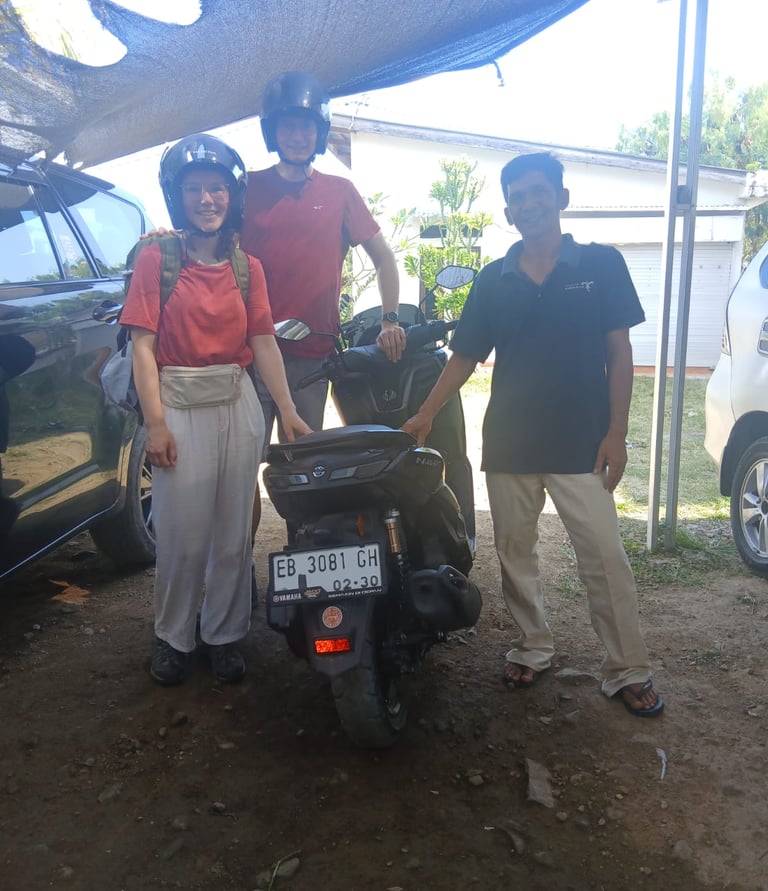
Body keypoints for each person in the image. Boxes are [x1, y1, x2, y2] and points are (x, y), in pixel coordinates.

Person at [402, 152, 664, 718]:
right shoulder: (494, 280)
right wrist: (424, 414)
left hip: (582, 442)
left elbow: (619, 353)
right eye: (517, 197)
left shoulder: (601, 264)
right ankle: (533, 644)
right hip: (511, 444)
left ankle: (627, 667)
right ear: (508, 212)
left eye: (538, 191)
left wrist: (617, 433)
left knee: (605, 558)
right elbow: (465, 356)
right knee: (515, 553)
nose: (529, 204)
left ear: (561, 198)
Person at [119, 133, 311, 686]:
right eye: (194, 189)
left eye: (217, 188)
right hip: (178, 404)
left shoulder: (247, 267)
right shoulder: (157, 259)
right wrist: (156, 425)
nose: (206, 199)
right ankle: (173, 636)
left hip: (236, 401)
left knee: (233, 532)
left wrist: (287, 409)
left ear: (233, 195)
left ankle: (224, 635)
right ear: (177, 197)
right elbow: (143, 347)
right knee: (182, 535)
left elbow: (264, 341)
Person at [243, 70, 407, 543]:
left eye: (306, 127)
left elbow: (384, 259)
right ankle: (238, 567)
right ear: (272, 131)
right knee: (242, 469)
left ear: (319, 132)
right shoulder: (246, 188)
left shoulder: (340, 192)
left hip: (310, 360)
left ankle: (305, 557)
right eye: (287, 126)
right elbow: (206, 237)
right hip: (248, 354)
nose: (297, 136)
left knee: (304, 467)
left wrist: (390, 319)